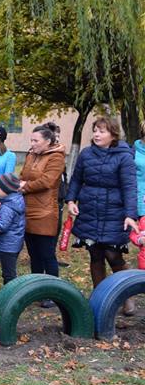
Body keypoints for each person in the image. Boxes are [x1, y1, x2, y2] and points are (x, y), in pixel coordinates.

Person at [65, 117, 139, 316]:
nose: (97, 134)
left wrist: (130, 215)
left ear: (113, 135)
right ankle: (100, 298)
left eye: (102, 131)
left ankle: (127, 296)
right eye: (95, 130)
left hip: (113, 212)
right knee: (95, 254)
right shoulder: (86, 154)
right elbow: (76, 180)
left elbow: (130, 187)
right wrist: (71, 201)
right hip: (90, 210)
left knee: (113, 256)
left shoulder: (124, 157)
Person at [19, 122, 66, 278]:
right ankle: (37, 286)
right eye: (31, 140)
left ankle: (53, 287)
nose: (32, 144)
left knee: (47, 254)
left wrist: (25, 187)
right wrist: (18, 184)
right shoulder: (31, 154)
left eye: (36, 141)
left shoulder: (56, 157)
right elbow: (22, 176)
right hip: (27, 209)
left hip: (45, 212)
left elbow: (47, 181)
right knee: (34, 255)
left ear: (48, 141)